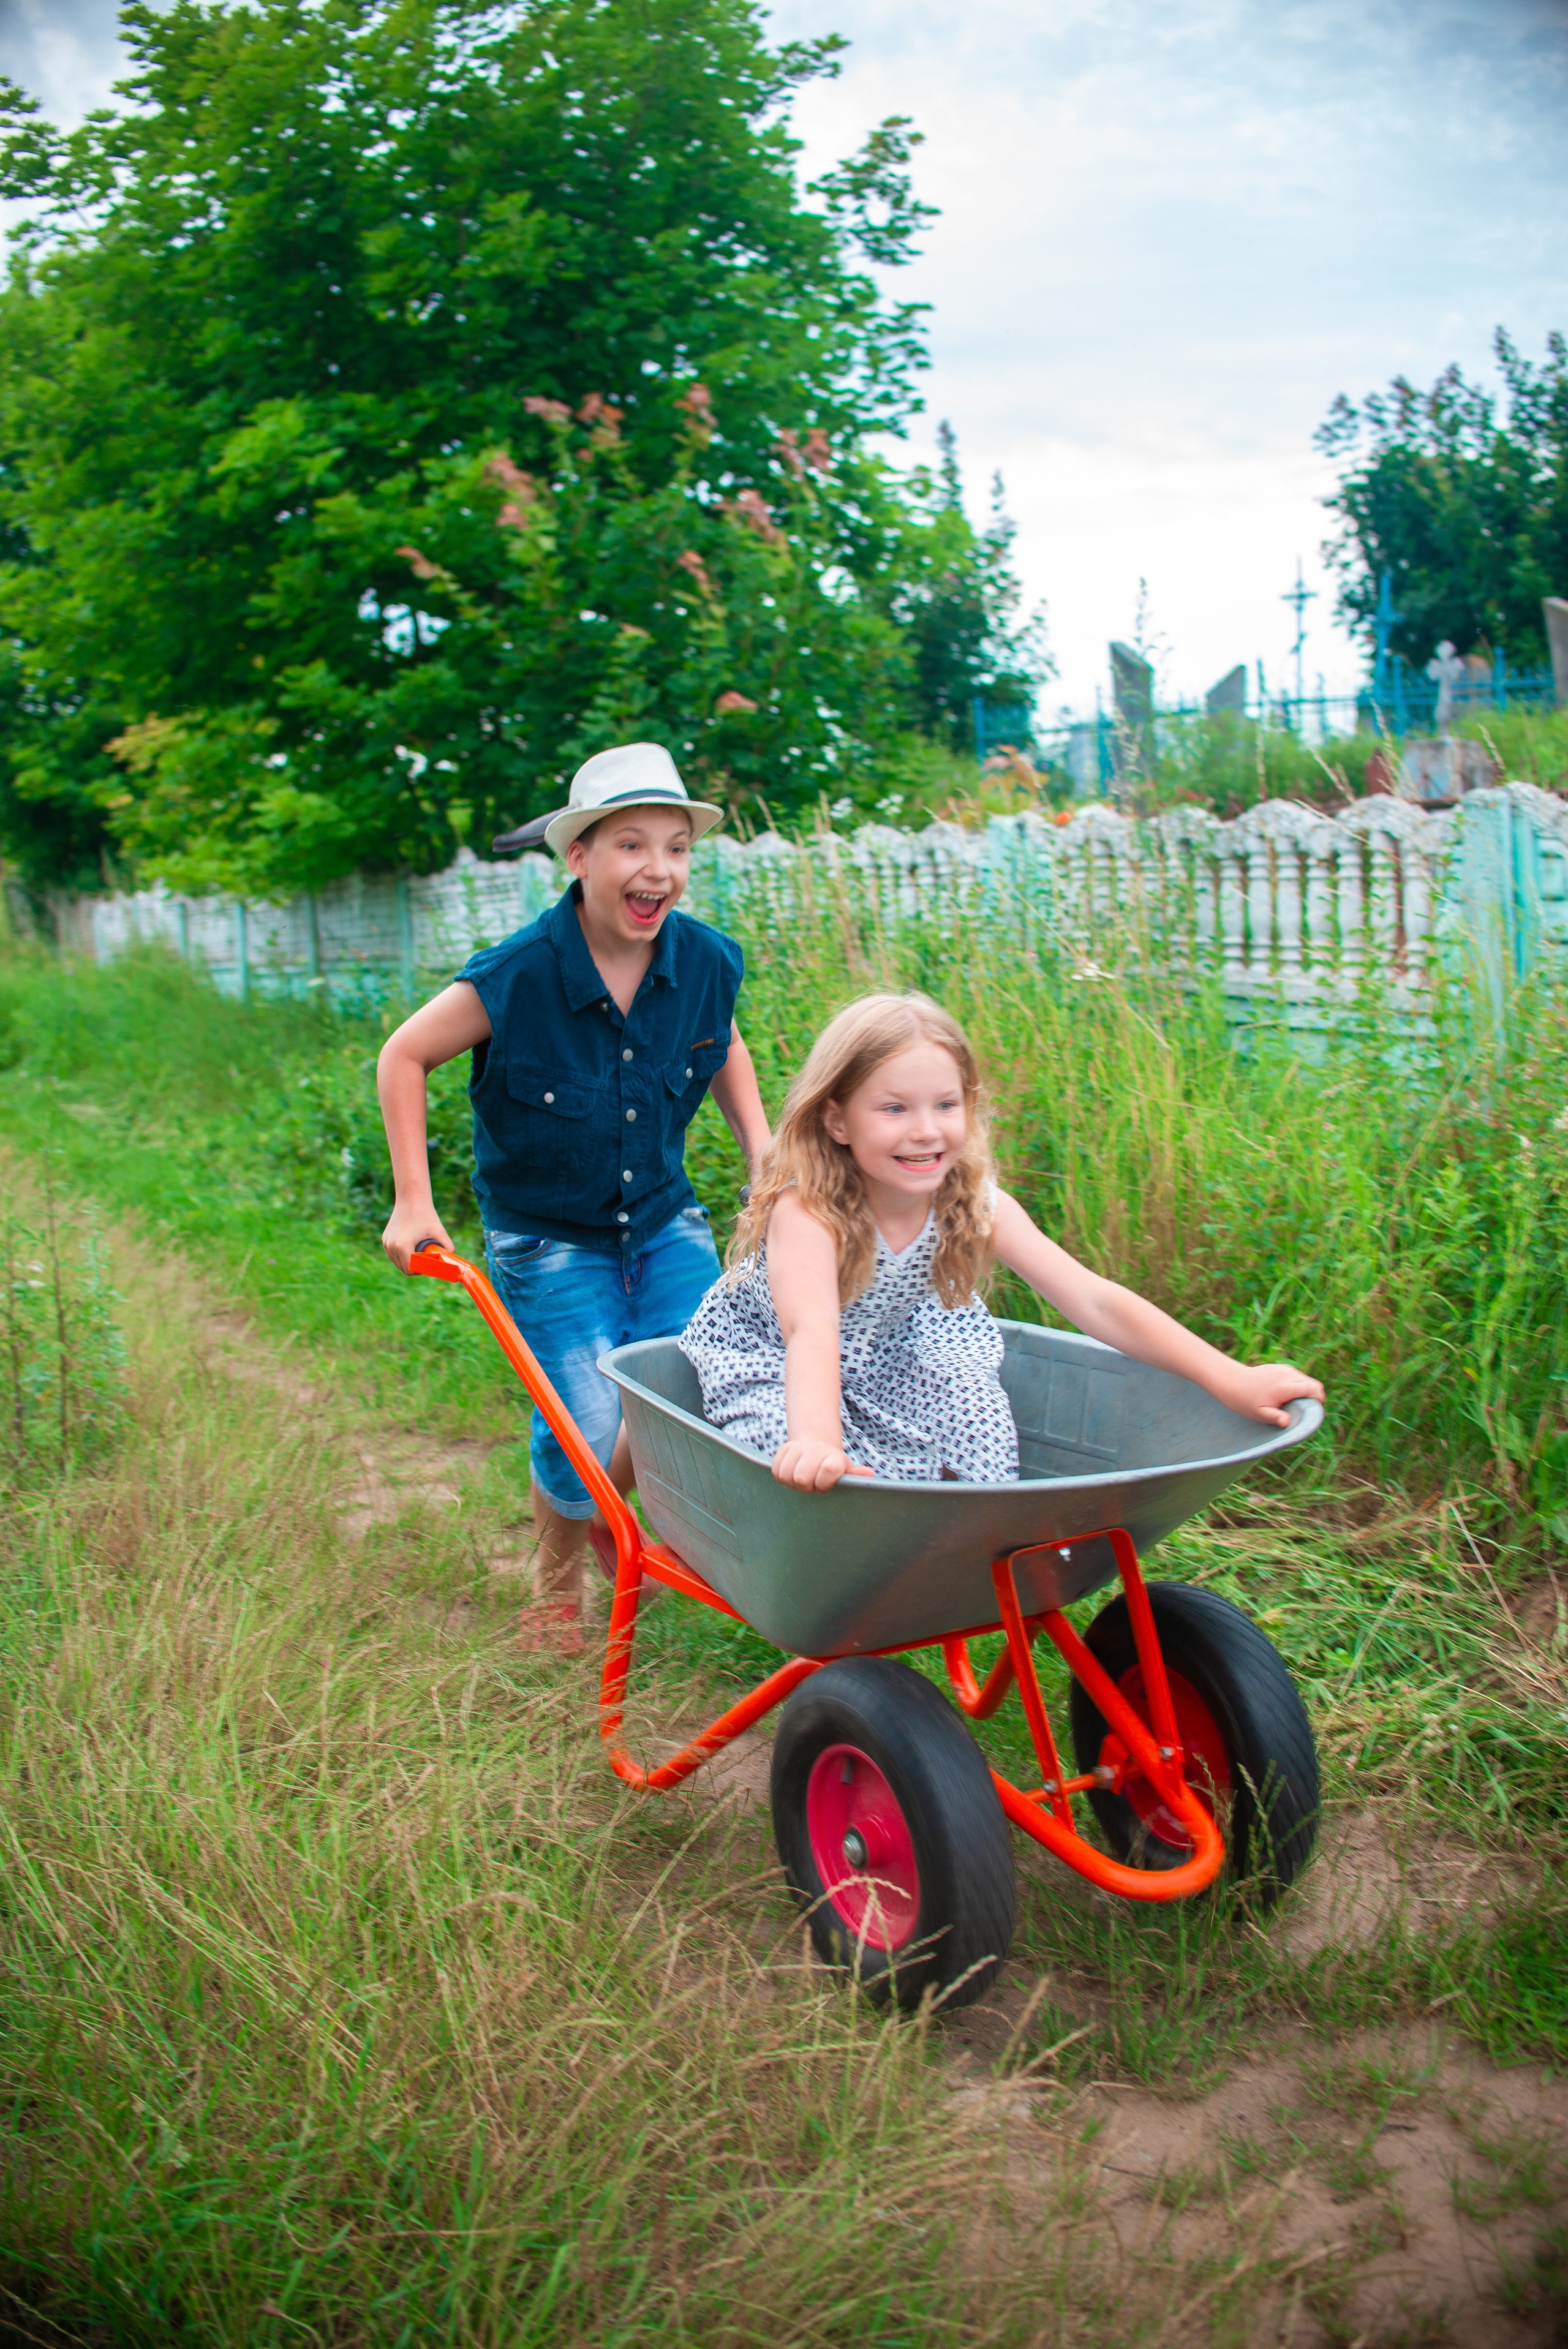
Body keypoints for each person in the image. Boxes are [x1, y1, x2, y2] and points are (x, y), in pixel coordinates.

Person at [379, 744, 771, 1647]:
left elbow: (723, 1043)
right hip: (547, 1238)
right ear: (580, 856)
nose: (658, 868)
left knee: (695, 1390)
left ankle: (610, 1516)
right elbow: (403, 1054)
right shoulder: (516, 975)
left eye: (676, 847)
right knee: (587, 1428)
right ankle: (556, 1584)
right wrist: (413, 1199)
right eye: (632, 844)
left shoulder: (705, 961)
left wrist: (762, 1146)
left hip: (666, 1221)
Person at [681, 991, 1322, 1488]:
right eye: (894, 1109)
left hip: (898, 1355)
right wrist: (818, 1439)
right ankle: (831, 1563)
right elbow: (812, 1333)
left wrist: (1229, 1377)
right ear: (836, 1119)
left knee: (976, 1410)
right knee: (794, 1451)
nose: (926, 1131)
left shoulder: (972, 1204)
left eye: (946, 1105)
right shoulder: (809, 1209)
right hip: (779, 1362)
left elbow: (1094, 1301)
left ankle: (953, 1555)